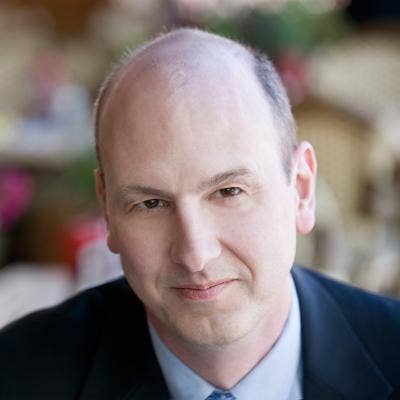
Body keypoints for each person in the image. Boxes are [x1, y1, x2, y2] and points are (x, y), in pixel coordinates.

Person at [0, 28, 399, 400]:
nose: (195, 254)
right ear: (106, 209)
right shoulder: (17, 377)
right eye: (150, 204)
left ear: (302, 189)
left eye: (229, 192)